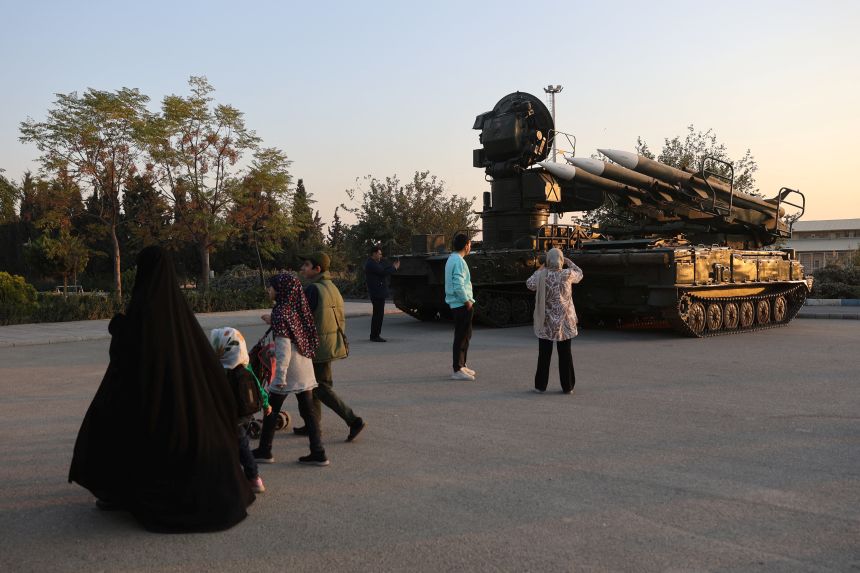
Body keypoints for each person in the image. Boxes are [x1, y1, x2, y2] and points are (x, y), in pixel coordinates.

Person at [68, 245, 255, 532]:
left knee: (109, 425)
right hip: (186, 429)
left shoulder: (140, 318)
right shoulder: (182, 322)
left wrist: (119, 328)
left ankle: (116, 492)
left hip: (148, 414)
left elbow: (124, 360)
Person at [254, 273, 330, 466]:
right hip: (304, 369)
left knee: (270, 410)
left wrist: (279, 377)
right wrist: (272, 319)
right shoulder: (295, 308)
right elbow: (293, 329)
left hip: (288, 373)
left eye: (271, 287)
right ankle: (318, 452)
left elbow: (284, 348)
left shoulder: (281, 313)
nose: (268, 290)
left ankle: (264, 450)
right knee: (309, 411)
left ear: (282, 290)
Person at [293, 251, 366, 442]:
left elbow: (300, 318)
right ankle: (312, 424)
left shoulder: (313, 289)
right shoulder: (331, 287)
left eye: (306, 265)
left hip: (317, 346)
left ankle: (353, 420)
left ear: (317, 269)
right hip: (330, 344)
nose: (302, 269)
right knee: (312, 384)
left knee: (319, 387)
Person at [210, 327, 272, 492]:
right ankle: (238, 475)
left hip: (232, 416)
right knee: (238, 443)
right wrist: (266, 404)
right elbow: (258, 387)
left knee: (240, 445)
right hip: (246, 413)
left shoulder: (221, 370)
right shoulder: (245, 367)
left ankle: (253, 478)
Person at [526, 247, 584, 394]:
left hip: (546, 322)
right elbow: (580, 274)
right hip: (565, 322)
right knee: (565, 354)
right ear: (561, 260)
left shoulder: (541, 276)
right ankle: (568, 386)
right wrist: (569, 262)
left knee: (544, 354)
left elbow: (529, 284)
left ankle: (540, 386)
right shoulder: (567, 274)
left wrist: (541, 267)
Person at [445, 233, 477, 381]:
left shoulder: (452, 259)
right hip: (461, 304)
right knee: (461, 336)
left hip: (457, 303)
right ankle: (457, 369)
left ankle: (462, 365)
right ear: (466, 245)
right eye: (470, 244)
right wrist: (467, 301)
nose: (470, 246)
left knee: (465, 335)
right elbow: (458, 283)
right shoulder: (459, 261)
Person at [364, 244, 400, 342]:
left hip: (378, 293)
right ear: (374, 254)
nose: (380, 256)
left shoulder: (375, 263)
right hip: (376, 293)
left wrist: (392, 266)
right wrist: (395, 268)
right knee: (378, 315)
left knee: (378, 315)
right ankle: (375, 336)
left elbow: (383, 269)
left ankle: (375, 335)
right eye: (379, 254)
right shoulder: (371, 264)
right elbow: (382, 272)